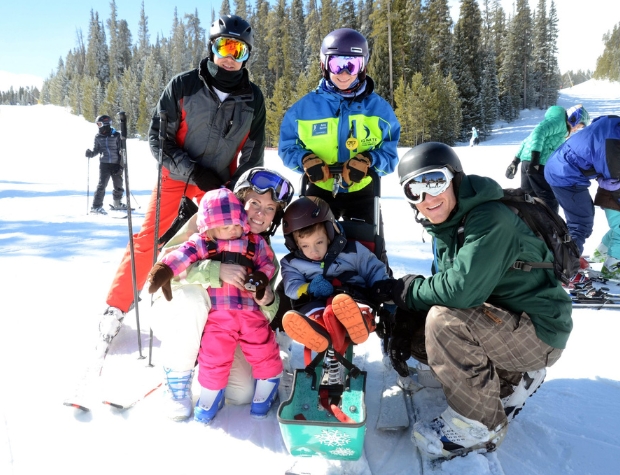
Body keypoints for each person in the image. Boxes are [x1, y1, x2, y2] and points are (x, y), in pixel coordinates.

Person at [371, 142, 572, 460]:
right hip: (504, 320)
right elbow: (447, 283)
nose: (427, 197)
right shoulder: (449, 223)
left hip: (538, 331)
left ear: (455, 178)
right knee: (421, 329)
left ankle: (480, 425)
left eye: (434, 181)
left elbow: (461, 291)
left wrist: (408, 292)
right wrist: (408, 314)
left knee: (444, 323)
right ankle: (508, 381)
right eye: (414, 190)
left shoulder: (490, 219)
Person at [97, 14, 266, 342]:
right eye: (225, 47)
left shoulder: (252, 99)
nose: (231, 58)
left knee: (235, 235)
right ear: (212, 47)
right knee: (149, 237)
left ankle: (233, 309)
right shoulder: (184, 85)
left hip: (218, 183)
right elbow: (158, 140)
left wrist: (236, 190)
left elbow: (253, 156)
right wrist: (192, 171)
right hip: (175, 173)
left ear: (247, 56)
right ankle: (116, 307)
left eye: (240, 51)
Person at [148, 167, 294, 421]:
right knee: (195, 300)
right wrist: (216, 270)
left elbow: (265, 310)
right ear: (239, 201)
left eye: (270, 208)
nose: (261, 213)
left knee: (241, 394)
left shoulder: (261, 248)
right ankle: (177, 377)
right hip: (176, 308)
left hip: (226, 323)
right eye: (255, 203)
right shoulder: (208, 221)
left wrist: (268, 299)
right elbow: (168, 266)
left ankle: (211, 366)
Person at [278, 28, 400, 229]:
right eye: (337, 64)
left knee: (366, 247)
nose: (344, 73)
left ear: (363, 67)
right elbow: (287, 147)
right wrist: (304, 159)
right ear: (324, 65)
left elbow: (389, 153)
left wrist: (369, 160)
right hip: (319, 186)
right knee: (314, 247)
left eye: (352, 65)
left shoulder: (379, 110)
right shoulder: (303, 109)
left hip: (363, 189)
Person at [279, 196, 388, 356]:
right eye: (305, 246)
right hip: (316, 301)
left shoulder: (353, 251)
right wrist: (309, 287)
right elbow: (291, 286)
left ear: (330, 235)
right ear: (295, 245)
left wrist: (382, 288)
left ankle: (361, 321)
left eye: (319, 242)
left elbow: (373, 269)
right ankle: (317, 328)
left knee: (351, 305)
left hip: (352, 296)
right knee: (311, 310)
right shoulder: (292, 263)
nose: (313, 251)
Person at [545, 115, 620, 279]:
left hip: (560, 167)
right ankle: (565, 269)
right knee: (581, 224)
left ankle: (579, 257)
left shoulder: (613, 123)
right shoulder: (614, 146)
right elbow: (614, 182)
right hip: (565, 175)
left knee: (583, 222)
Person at [505, 104, 590, 213]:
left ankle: (528, 226)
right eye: (578, 126)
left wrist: (515, 162)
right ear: (574, 118)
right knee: (548, 199)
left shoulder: (556, 121)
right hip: (537, 164)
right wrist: (535, 160)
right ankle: (553, 228)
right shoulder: (560, 122)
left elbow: (528, 140)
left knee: (527, 198)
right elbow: (538, 132)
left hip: (528, 163)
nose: (575, 130)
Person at [85, 115, 126, 215]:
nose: (98, 126)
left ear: (106, 124)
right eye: (97, 124)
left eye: (99, 124)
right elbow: (97, 150)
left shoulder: (116, 135)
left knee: (118, 184)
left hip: (116, 164)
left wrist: (120, 165)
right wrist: (91, 153)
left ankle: (117, 203)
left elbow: (122, 151)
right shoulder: (98, 136)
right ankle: (96, 206)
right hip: (104, 164)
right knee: (102, 185)